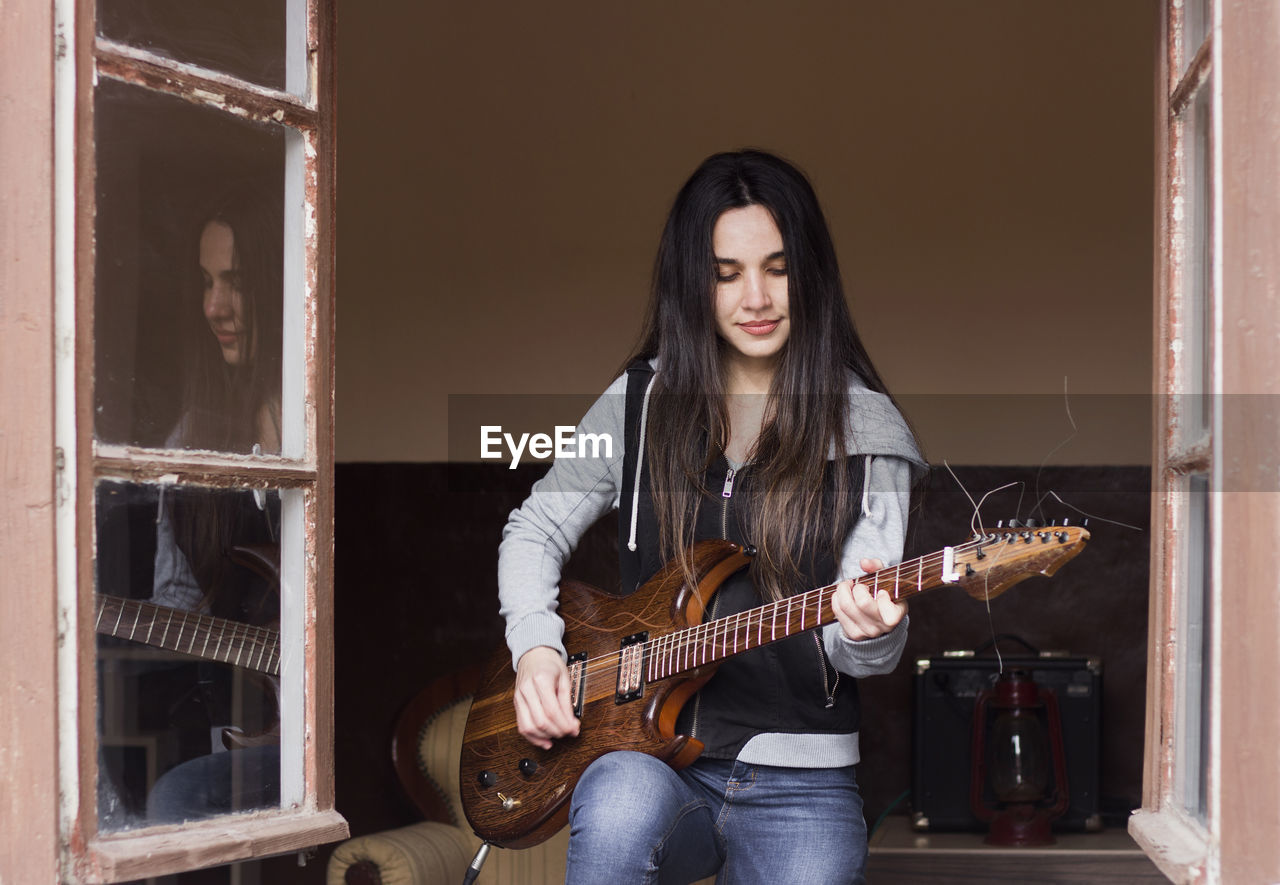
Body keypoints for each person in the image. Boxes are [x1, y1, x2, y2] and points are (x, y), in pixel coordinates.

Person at [497, 150, 926, 884]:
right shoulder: (638, 403)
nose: (754, 296)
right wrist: (536, 649)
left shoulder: (869, 431)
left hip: (804, 785)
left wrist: (874, 629)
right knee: (618, 809)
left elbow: (860, 650)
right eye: (726, 273)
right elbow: (535, 528)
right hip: (648, 756)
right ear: (693, 283)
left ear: (810, 273)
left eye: (778, 267)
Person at [143, 189, 284, 823]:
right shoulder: (189, 441)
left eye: (236, 282)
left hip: (337, 721)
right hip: (253, 724)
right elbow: (173, 606)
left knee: (174, 797)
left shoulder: (314, 420)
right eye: (205, 282)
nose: (214, 307)